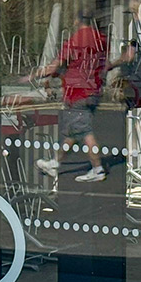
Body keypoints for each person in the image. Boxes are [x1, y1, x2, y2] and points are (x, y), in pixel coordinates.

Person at [28, 10, 111, 183]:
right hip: (93, 91)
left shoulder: (74, 41)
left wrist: (34, 75)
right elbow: (104, 64)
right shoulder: (101, 40)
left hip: (77, 92)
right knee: (74, 131)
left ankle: (97, 169)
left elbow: (54, 66)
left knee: (85, 132)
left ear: (77, 20)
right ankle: (55, 162)